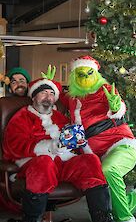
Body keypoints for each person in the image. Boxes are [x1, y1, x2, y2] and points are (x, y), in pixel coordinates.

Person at [2, 77, 115, 222]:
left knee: (90, 160)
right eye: (43, 93)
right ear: (34, 96)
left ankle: (103, 218)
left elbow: (71, 140)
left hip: (63, 163)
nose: (48, 97)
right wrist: (49, 147)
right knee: (45, 162)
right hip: (35, 164)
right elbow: (14, 144)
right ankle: (33, 219)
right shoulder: (22, 117)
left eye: (51, 93)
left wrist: (77, 142)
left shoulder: (60, 117)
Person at [60, 55, 136, 222]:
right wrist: (51, 84)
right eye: (80, 74)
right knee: (99, 175)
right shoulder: (73, 98)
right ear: (74, 77)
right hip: (92, 153)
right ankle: (134, 200)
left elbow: (118, 107)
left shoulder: (105, 90)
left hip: (121, 145)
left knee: (108, 170)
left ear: (96, 74)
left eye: (89, 73)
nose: (85, 78)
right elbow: (57, 95)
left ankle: (125, 218)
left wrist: (116, 107)